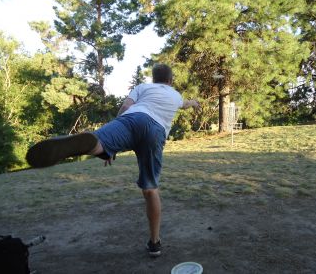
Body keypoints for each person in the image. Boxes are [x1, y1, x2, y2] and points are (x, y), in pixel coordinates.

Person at [26, 64, 199, 257]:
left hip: (131, 118)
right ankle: (155, 242)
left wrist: (116, 137)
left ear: (154, 78)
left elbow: (126, 106)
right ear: (170, 80)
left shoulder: (143, 87)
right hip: (155, 130)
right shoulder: (175, 95)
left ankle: (92, 146)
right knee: (150, 189)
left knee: (98, 142)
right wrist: (194, 102)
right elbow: (185, 104)